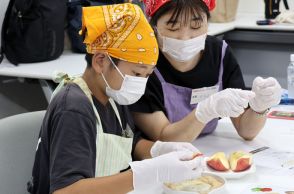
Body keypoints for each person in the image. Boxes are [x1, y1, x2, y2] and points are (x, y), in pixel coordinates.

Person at [28, 4, 202, 194]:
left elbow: (128, 142)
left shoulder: (112, 95)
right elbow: (66, 190)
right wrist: (148, 173)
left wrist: (159, 150)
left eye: (147, 76)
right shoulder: (74, 108)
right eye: (136, 73)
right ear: (101, 61)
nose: (140, 83)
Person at [130, 0, 282, 142]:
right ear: (153, 25)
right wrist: (204, 112)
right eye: (173, 27)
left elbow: (246, 131)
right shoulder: (142, 65)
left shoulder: (219, 54)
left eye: (196, 26)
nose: (185, 37)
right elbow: (164, 137)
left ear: (207, 23)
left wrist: (259, 106)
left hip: (209, 149)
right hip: (164, 159)